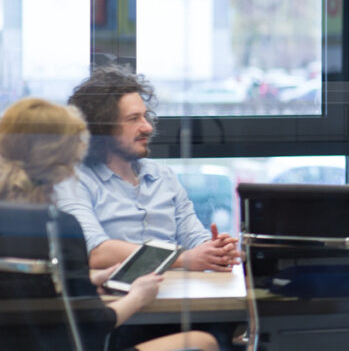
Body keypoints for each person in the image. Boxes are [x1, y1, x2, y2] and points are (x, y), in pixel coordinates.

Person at [0, 98, 229, 351]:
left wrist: (86, 278)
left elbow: (30, 297)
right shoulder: (58, 227)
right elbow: (93, 322)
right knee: (203, 349)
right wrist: (136, 294)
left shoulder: (12, 219)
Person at [54, 64, 240, 271]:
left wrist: (215, 250)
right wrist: (181, 260)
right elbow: (95, 252)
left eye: (145, 116)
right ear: (101, 128)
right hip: (118, 297)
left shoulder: (163, 176)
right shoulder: (74, 180)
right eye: (133, 119)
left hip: (175, 291)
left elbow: (195, 238)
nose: (148, 127)